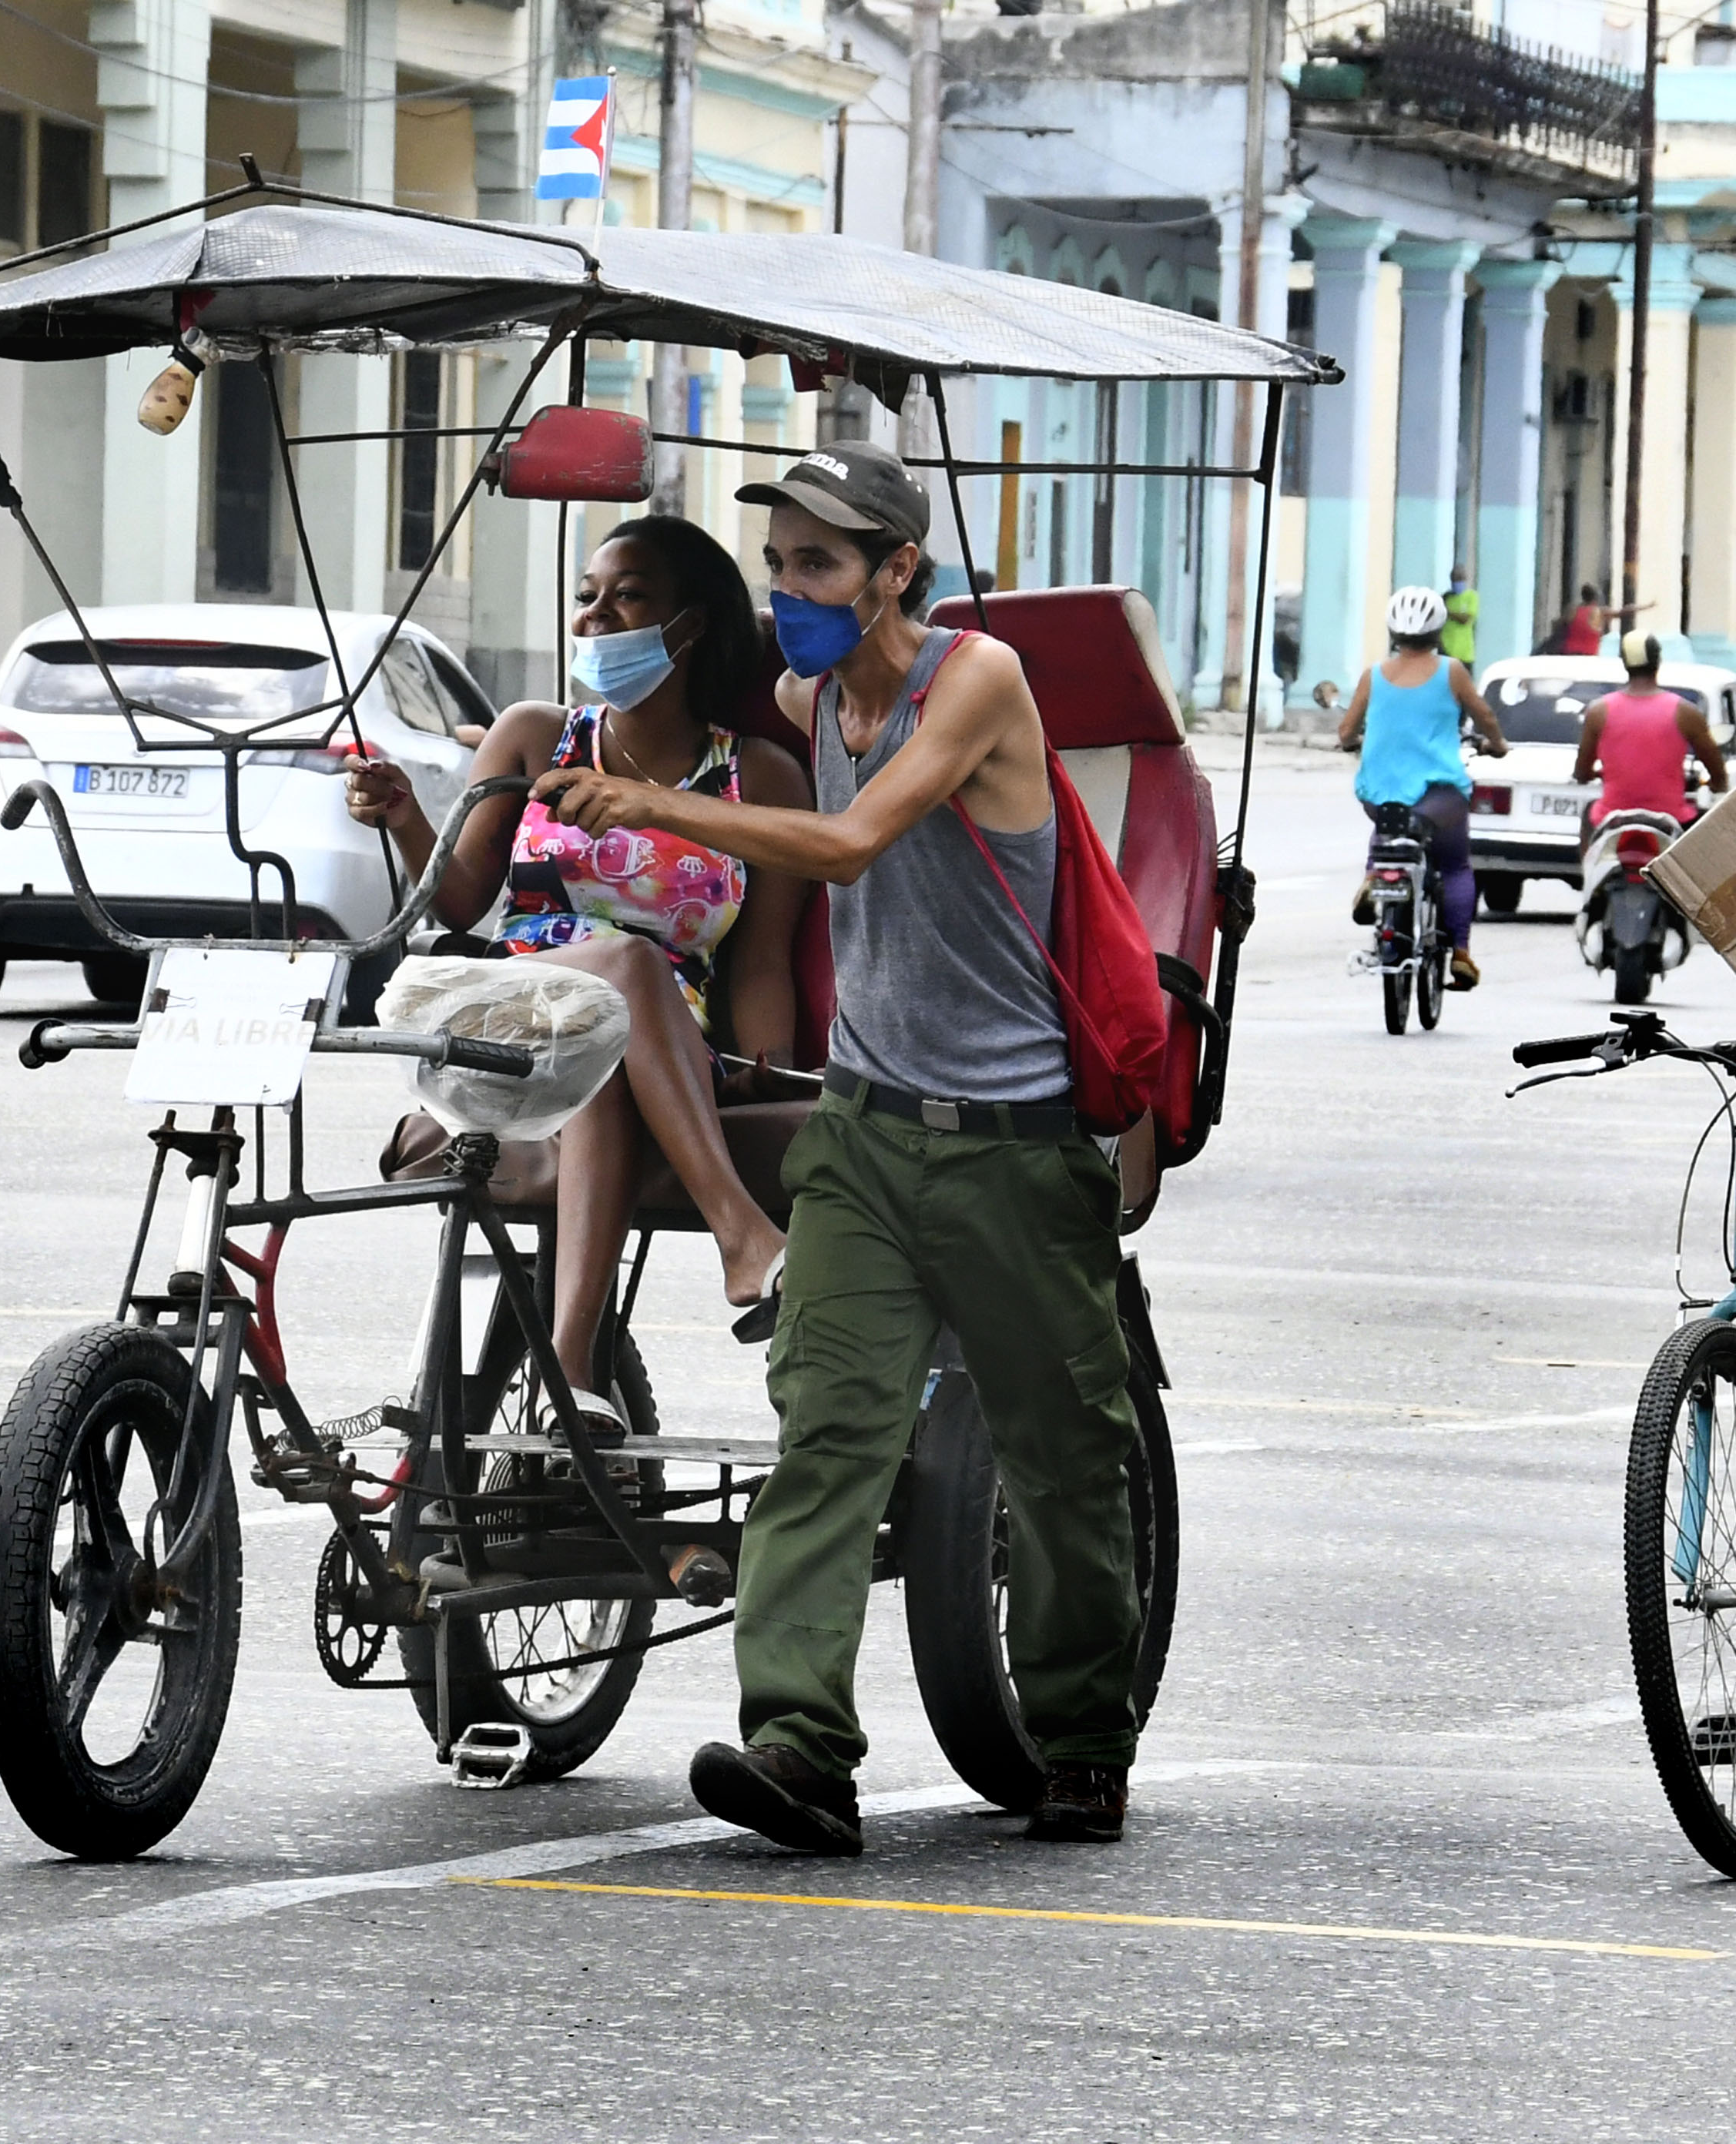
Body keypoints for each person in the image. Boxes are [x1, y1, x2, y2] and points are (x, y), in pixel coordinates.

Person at [530, 445, 1148, 1854]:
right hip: (865, 1131)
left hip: (1010, 1139)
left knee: (1058, 1463)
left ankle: (1083, 1737)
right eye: (781, 563)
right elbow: (667, 704)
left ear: (897, 574)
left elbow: (856, 841)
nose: (792, 588)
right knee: (828, 1441)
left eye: (820, 562)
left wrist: (658, 809)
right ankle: (800, 1744)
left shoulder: (976, 677)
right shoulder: (808, 698)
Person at [347, 514, 808, 1429]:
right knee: (615, 973)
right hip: (500, 1024)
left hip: (652, 1054)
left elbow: (759, 963)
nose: (595, 617)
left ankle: (571, 1375)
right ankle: (741, 1237)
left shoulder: (761, 775)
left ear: (692, 625)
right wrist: (404, 817)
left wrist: (765, 1060)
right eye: (586, 596)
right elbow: (460, 901)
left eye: (627, 597)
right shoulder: (533, 737)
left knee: (602, 1024)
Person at [1339, 585, 1506, 991]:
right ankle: (1462, 953)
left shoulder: (1372, 675)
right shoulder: (1452, 672)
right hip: (1438, 798)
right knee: (1454, 865)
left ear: (1394, 631)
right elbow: (1483, 715)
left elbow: (1346, 732)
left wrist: (1353, 742)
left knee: (1390, 828)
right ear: (1438, 630)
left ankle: (1375, 878)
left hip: (1380, 796)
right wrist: (1497, 744)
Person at [1572, 631, 1730, 832]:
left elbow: (1582, 770)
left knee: (1589, 812)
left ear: (1625, 664)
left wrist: (1589, 774)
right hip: (1672, 818)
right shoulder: (1685, 712)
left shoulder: (1599, 711)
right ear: (1658, 661)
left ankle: (1590, 864)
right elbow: (1716, 767)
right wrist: (1717, 783)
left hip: (1613, 818)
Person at [1439, 566, 1480, 666]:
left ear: (1465, 580)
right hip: (1446, 650)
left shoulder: (1471, 597)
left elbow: (1466, 619)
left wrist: (1448, 612)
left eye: (1459, 579)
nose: (1457, 583)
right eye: (1455, 579)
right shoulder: (1446, 597)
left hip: (1464, 653)